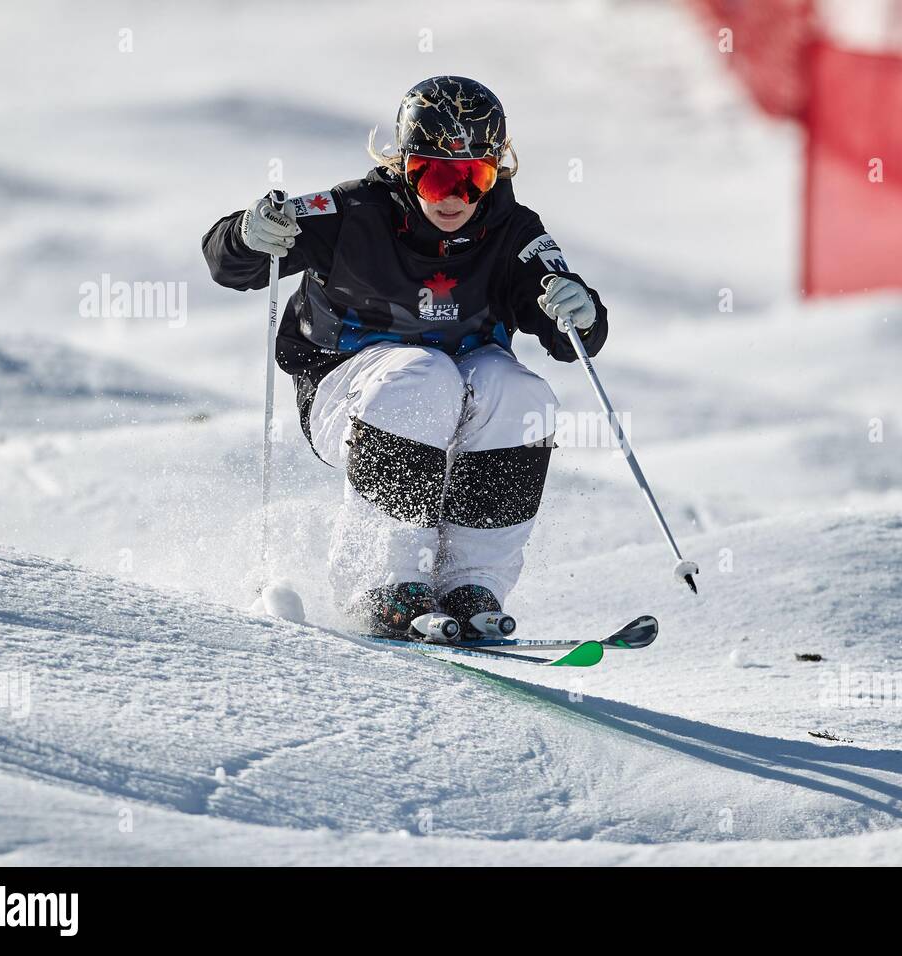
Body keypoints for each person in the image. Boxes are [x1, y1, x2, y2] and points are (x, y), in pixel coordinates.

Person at [202, 75, 609, 639]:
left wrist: (580, 313)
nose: (452, 197)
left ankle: (474, 584)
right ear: (406, 166)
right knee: (424, 374)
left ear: (496, 172)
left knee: (522, 393)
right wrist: (247, 235)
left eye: (473, 178)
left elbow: (571, 341)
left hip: (460, 403)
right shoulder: (353, 214)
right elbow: (230, 265)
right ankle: (386, 579)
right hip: (346, 392)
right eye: (436, 174)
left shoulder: (513, 231)